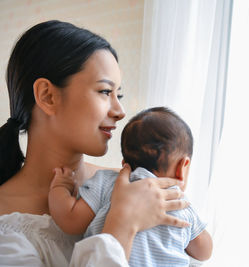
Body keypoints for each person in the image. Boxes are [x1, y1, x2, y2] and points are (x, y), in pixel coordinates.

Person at [0, 20, 190, 266]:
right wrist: (122, 223)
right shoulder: (6, 225)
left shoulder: (139, 186)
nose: (120, 111)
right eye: (104, 91)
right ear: (47, 96)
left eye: (118, 95)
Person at [49, 107, 213, 266]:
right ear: (182, 168)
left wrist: (61, 186)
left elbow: (69, 220)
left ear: (124, 164)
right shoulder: (179, 202)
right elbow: (204, 251)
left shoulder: (107, 184)